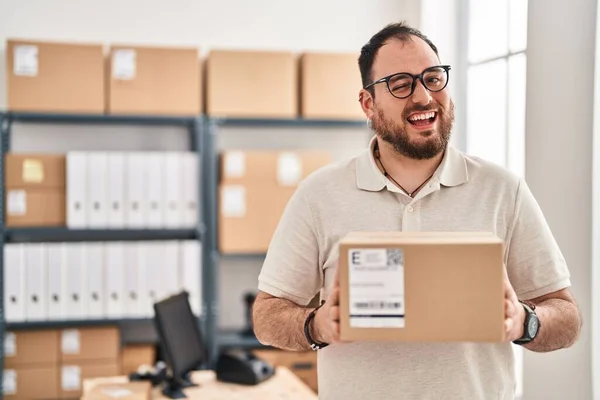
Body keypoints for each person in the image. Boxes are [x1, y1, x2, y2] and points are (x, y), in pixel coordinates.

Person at [252, 22, 582, 399]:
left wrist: (525, 321)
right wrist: (316, 326)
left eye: (433, 77)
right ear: (367, 103)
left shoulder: (503, 190)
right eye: (401, 84)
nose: (424, 96)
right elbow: (267, 316)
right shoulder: (318, 195)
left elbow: (567, 318)